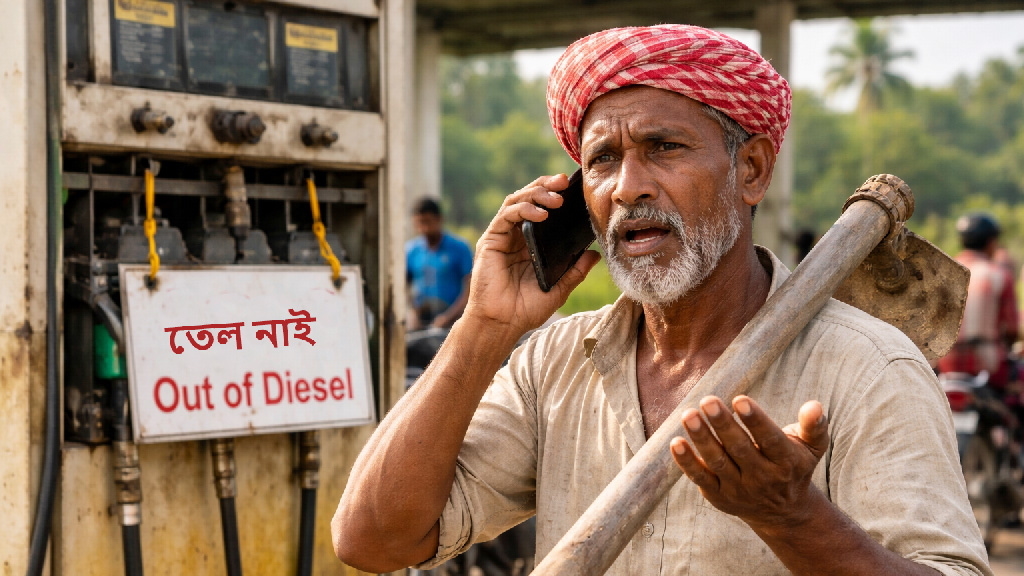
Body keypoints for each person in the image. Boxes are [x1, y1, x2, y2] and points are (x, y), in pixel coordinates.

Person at [334, 25, 990, 575]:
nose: (628, 187)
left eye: (663, 149)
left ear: (752, 170)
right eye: (603, 161)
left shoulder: (871, 367)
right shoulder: (555, 364)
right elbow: (373, 540)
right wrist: (483, 328)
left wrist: (792, 518)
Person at [938, 213, 1019, 389]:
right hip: (989, 367)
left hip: (944, 363)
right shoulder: (999, 275)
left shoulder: (942, 272)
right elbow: (1012, 328)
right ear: (991, 242)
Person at [405, 197, 474, 329]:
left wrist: (449, 317)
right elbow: (404, 285)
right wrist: (413, 310)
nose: (424, 228)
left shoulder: (460, 248)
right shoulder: (411, 250)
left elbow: (470, 287)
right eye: (420, 224)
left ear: (439, 219)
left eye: (428, 222)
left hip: (453, 321)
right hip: (421, 320)